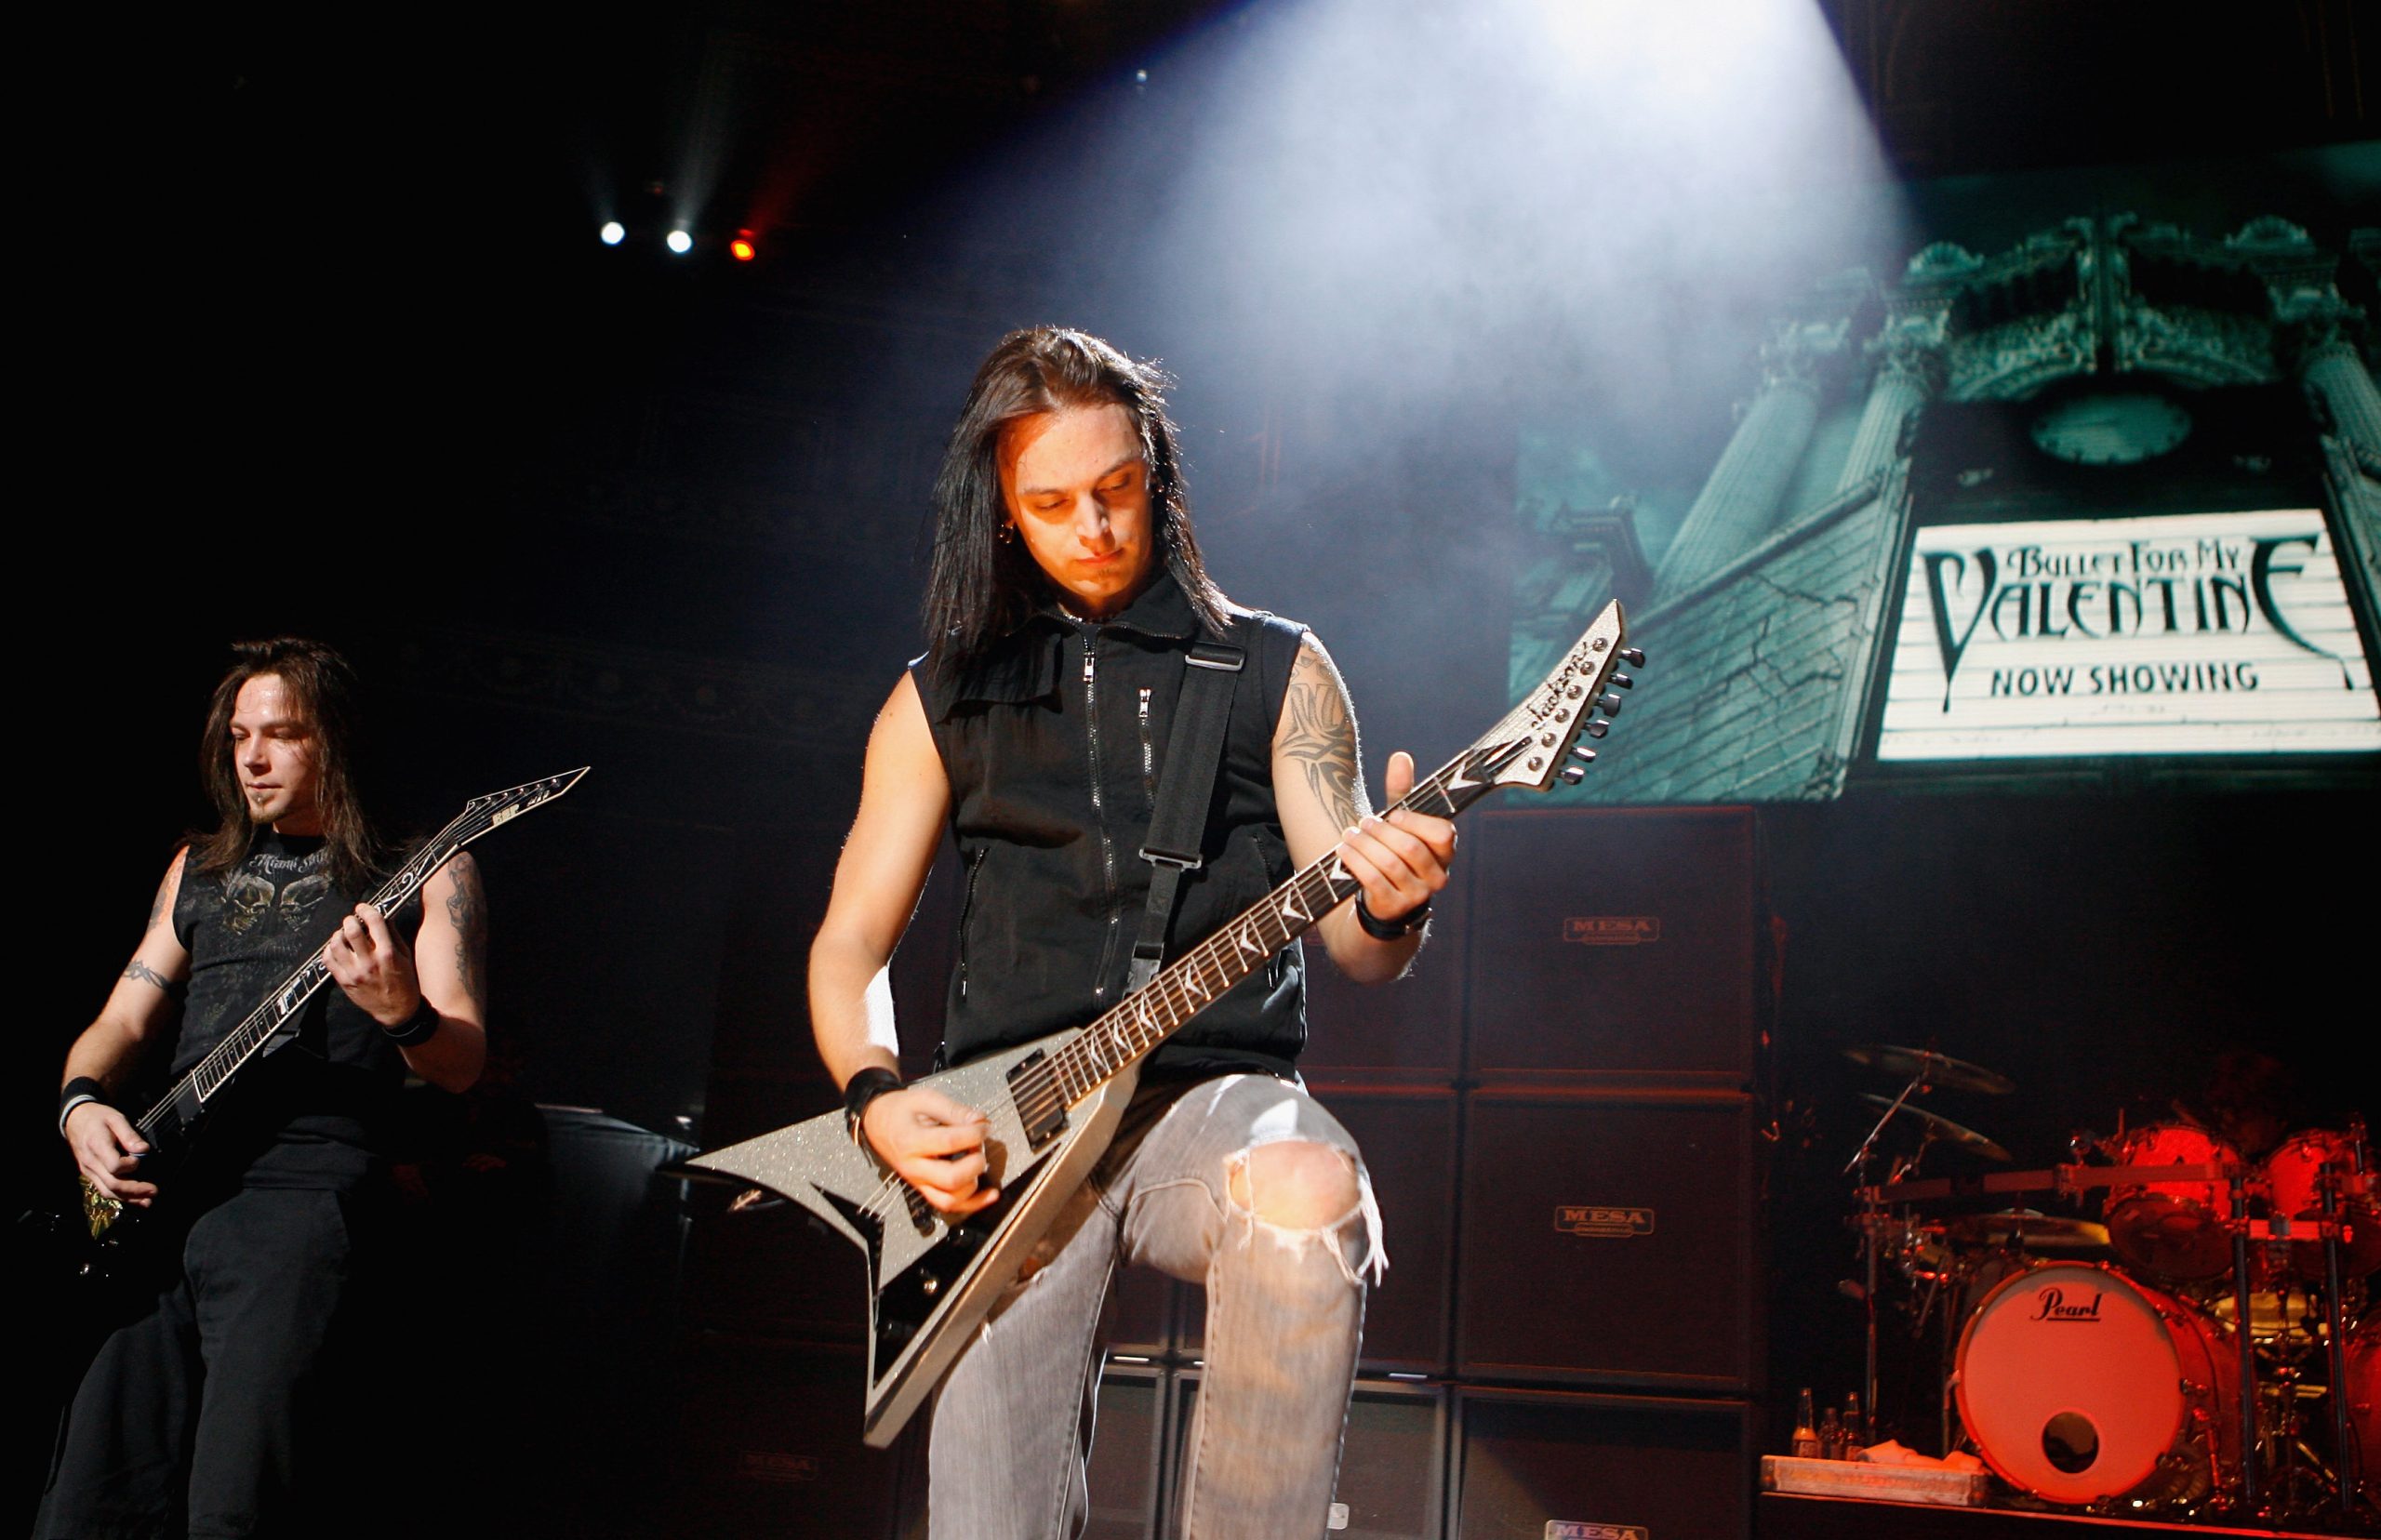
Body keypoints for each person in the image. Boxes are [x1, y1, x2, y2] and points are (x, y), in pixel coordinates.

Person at [810, 327, 1457, 1538]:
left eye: (1116, 490)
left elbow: (1362, 950)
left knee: (1308, 1183)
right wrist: (875, 1097)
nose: (1095, 528)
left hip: (1205, 1099)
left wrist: (1392, 897)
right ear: (1002, 511)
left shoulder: (1279, 671)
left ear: (1156, 474)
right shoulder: (937, 696)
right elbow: (850, 944)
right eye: (1052, 505)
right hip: (1005, 1133)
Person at [41, 638, 487, 1539]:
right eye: (240, 735)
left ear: (337, 741)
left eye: (282, 734)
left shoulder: (428, 868)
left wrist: (401, 1013)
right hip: (165, 1197)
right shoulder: (198, 868)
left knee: (237, 1503)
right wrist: (80, 1105)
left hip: (300, 1198)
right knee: (92, 1498)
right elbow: (122, 1022)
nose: (251, 757)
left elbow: (461, 1061)